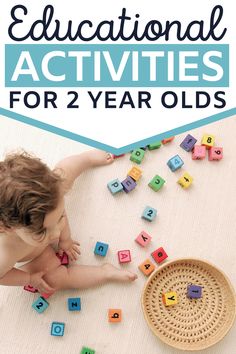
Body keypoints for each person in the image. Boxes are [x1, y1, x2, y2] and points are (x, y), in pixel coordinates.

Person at [0, 150, 137, 294]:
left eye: (60, 217)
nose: (56, 233)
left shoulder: (53, 191)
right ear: (7, 227)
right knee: (53, 279)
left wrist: (87, 159)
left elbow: (67, 167)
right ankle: (105, 272)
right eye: (42, 230)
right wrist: (28, 279)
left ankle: (87, 157)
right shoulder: (5, 253)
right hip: (37, 256)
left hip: (36, 240)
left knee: (65, 175)